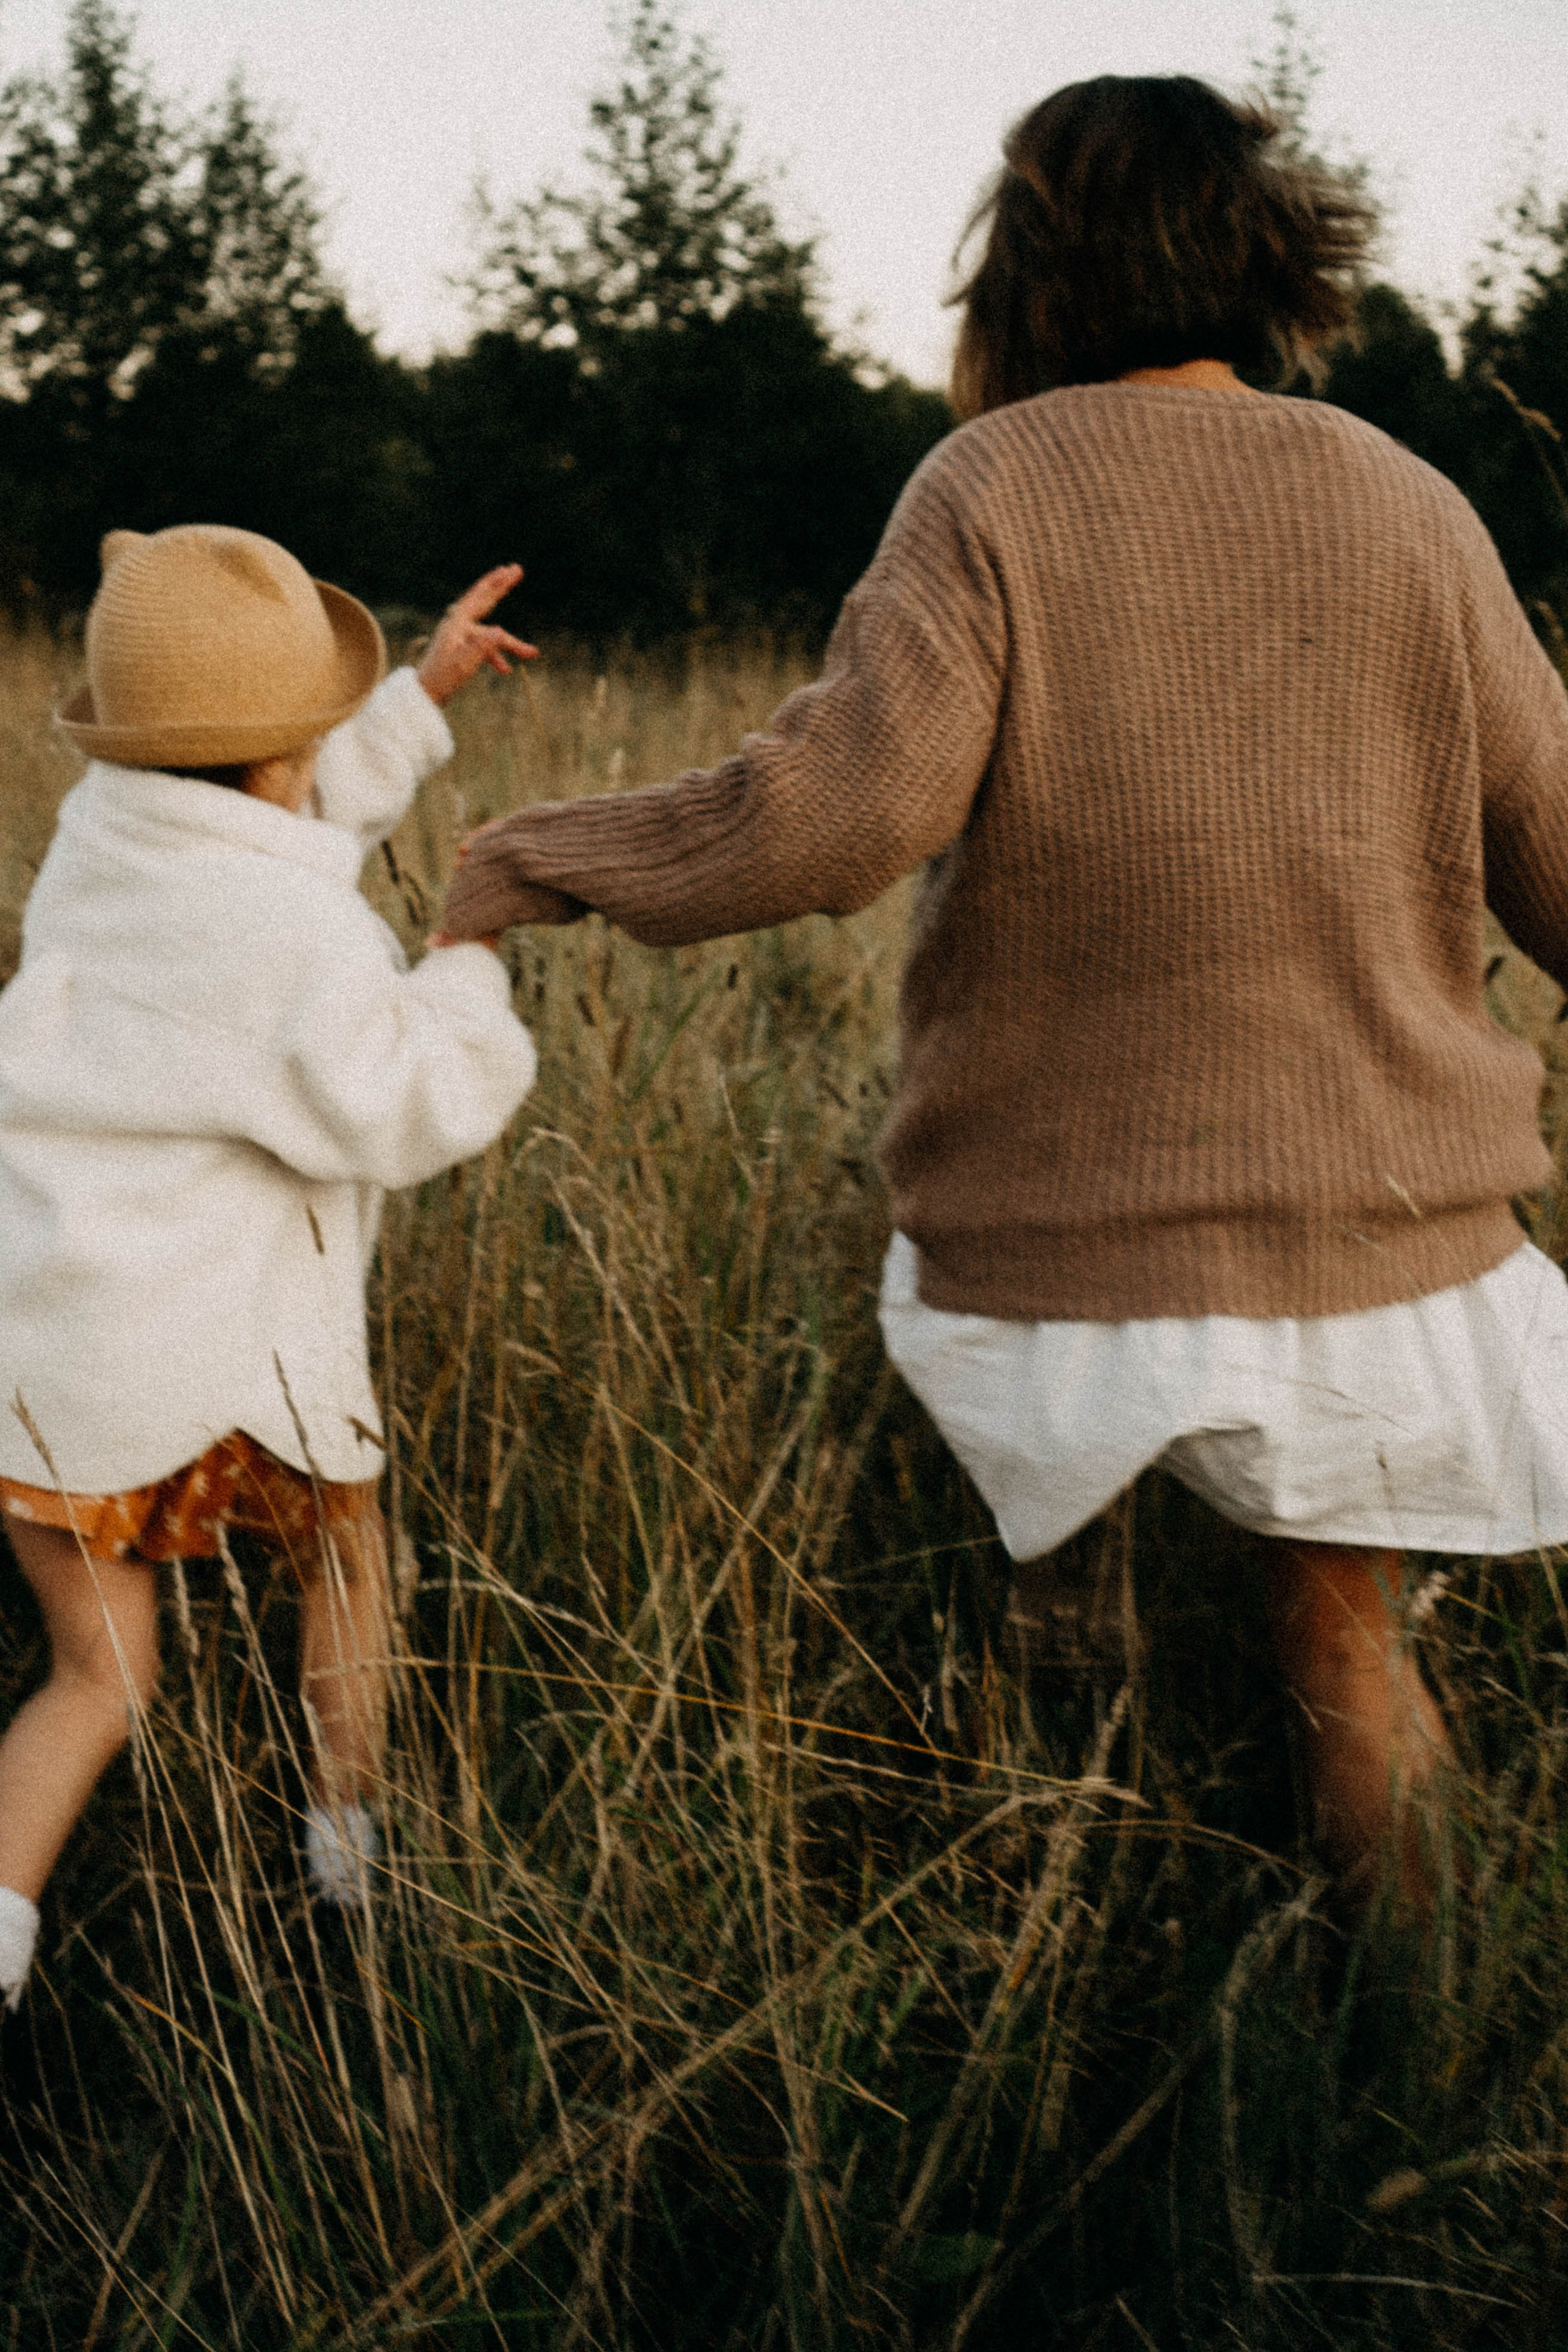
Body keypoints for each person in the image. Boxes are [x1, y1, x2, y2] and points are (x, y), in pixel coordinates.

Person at [438, 75, 1568, 1906]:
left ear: (1032, 268)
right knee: (1352, 1654)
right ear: (1267, 252)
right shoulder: (1408, 497)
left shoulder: (995, 483)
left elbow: (835, 819)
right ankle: (1402, 2076)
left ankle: (1044, 1928)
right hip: (1378, 1233)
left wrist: (535, 853)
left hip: (1056, 1246)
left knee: (1056, 1610)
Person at [0, 528, 540, 2011]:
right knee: (351, 1560)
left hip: (54, 1349)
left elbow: (277, 823)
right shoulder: (295, 930)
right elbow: (412, 1102)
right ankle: (345, 1854)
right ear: (294, 746)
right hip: (232, 1341)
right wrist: (471, 955)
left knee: (97, 1684)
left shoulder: (107, 842)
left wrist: (416, 694)